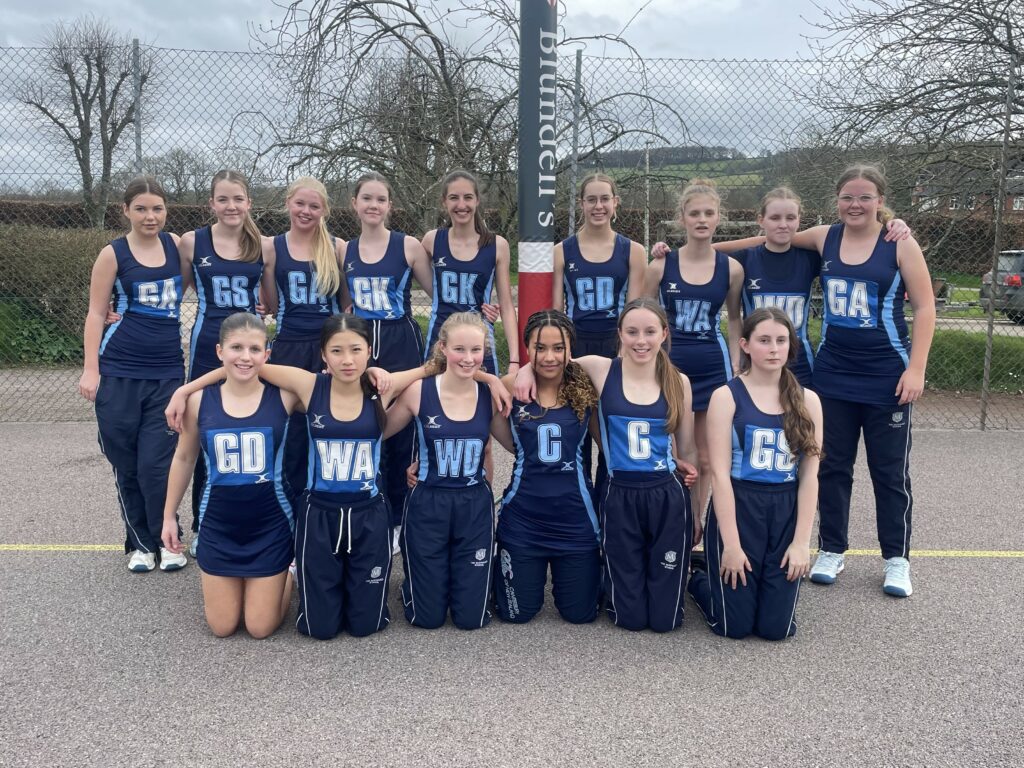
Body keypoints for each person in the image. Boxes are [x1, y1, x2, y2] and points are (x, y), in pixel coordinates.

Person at [518, 298, 699, 632]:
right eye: (632, 332)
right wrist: (524, 369)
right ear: (620, 334)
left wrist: (697, 513)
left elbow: (688, 450)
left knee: (665, 622)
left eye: (649, 331)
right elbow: (554, 360)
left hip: (666, 494)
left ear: (664, 334)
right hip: (620, 492)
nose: (640, 340)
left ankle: (697, 582)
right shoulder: (601, 369)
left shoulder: (679, 382)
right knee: (628, 619)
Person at [804, 165, 934, 597]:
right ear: (836, 200)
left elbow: (926, 308)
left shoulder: (900, 242)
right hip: (834, 376)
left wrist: (915, 368)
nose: (855, 205)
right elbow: (770, 240)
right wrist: (689, 248)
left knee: (889, 472)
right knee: (832, 466)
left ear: (880, 200)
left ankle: (896, 560)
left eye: (864, 197)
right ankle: (832, 549)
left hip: (887, 377)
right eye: (847, 197)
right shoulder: (826, 237)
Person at [687, 307, 823, 640]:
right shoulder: (727, 396)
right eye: (764, 340)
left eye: (781, 340)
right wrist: (731, 545)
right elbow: (719, 475)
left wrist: (801, 543)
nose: (774, 348)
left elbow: (809, 477)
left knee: (777, 630)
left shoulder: (808, 401)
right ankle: (697, 580)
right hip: (739, 508)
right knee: (733, 628)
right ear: (746, 345)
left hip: (784, 512)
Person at [161, 313, 295, 638]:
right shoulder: (198, 401)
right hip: (220, 525)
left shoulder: (286, 396)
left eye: (254, 348)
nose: (245, 356)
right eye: (236, 347)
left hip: (270, 524)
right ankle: (239, 581)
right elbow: (183, 457)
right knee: (222, 627)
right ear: (220, 351)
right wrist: (168, 517)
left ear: (267, 354)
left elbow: (323, 382)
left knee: (259, 628)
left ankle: (289, 573)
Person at [78, 175, 186, 573]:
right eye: (140, 208)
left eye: (157, 208)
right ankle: (140, 543)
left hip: (167, 373)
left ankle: (169, 539)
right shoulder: (113, 254)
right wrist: (92, 369)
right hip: (119, 370)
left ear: (166, 211)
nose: (149, 215)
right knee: (125, 462)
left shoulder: (177, 247)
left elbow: (210, 279)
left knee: (156, 465)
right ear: (125, 211)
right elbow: (95, 312)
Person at [383, 313, 499, 630]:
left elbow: (517, 446)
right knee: (427, 618)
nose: (468, 358)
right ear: (443, 348)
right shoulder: (419, 392)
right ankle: (418, 585)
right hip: (428, 502)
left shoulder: (490, 395)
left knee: (471, 620)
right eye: (459, 349)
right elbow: (377, 431)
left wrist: (493, 379)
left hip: (473, 505)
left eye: (476, 350)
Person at [489, 310, 602, 624]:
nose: (549, 357)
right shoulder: (509, 386)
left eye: (558, 348)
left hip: (576, 521)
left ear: (570, 349)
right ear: (528, 348)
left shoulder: (586, 384)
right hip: (524, 520)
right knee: (516, 614)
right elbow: (470, 407)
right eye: (539, 348)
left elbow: (609, 445)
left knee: (580, 615)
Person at [643, 179, 743, 520]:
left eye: (709, 213)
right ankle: (667, 518)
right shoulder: (661, 265)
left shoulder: (731, 269)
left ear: (718, 219)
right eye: (694, 213)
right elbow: (640, 318)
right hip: (670, 365)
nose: (702, 219)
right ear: (682, 218)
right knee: (667, 449)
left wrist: (736, 362)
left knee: (704, 456)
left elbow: (734, 320)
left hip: (712, 367)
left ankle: (695, 522)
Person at [343, 172, 434, 545]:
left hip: (400, 338)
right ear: (354, 204)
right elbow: (340, 304)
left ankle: (399, 517)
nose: (373, 205)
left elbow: (440, 294)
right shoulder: (343, 249)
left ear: (389, 206)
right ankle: (368, 508)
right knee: (365, 424)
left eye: (380, 199)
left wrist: (482, 306)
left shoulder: (408, 246)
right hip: (361, 343)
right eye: (367, 198)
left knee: (403, 428)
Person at [180, 170, 267, 555]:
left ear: (249, 203)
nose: (231, 206)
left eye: (238, 199)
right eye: (223, 199)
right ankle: (204, 521)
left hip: (248, 352)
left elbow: (272, 302)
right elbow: (171, 291)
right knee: (204, 435)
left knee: (253, 431)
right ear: (211, 204)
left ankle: (256, 516)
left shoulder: (264, 245)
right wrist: (120, 307)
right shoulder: (191, 243)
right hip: (207, 349)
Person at [552, 172, 647, 492]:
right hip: (576, 346)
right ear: (581, 204)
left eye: (604, 199)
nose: (598, 206)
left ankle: (610, 511)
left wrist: (625, 357)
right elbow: (556, 315)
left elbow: (634, 313)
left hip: (614, 347)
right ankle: (580, 517)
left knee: (611, 432)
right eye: (591, 199)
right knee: (577, 434)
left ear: (615, 202)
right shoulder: (562, 251)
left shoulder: (633, 251)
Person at [262, 176, 347, 508]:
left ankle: (326, 503)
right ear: (288, 203)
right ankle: (292, 508)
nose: (306, 211)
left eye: (314, 206)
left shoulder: (337, 247)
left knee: (329, 427)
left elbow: (347, 305)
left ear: (324, 209)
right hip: (288, 347)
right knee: (293, 433)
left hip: (328, 349)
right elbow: (268, 303)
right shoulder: (272, 246)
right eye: (300, 204)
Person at [422, 170, 517, 377]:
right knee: (434, 401)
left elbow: (508, 307)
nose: (461, 205)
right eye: (454, 198)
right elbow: (408, 276)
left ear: (477, 200)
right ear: (444, 202)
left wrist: (515, 359)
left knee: (484, 403)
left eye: (468, 197)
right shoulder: (431, 241)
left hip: (479, 341)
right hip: (441, 338)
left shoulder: (497, 245)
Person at [729, 187, 820, 388]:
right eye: (775, 218)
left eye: (790, 218)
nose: (783, 225)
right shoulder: (743, 259)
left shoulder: (812, 258)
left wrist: (892, 223)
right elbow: (734, 317)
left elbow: (853, 242)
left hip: (800, 363)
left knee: (800, 419)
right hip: (754, 362)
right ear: (761, 220)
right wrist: (736, 362)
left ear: (799, 220)